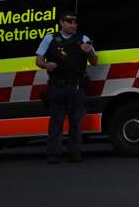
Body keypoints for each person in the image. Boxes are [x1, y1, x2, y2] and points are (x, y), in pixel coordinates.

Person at [35, 11, 97, 164]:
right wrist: (46, 65)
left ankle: (74, 154)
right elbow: (38, 60)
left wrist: (88, 53)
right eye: (69, 22)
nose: (73, 25)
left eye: (75, 22)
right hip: (57, 87)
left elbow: (94, 61)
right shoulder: (50, 38)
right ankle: (53, 154)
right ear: (61, 23)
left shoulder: (83, 39)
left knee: (76, 122)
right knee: (56, 121)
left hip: (76, 87)